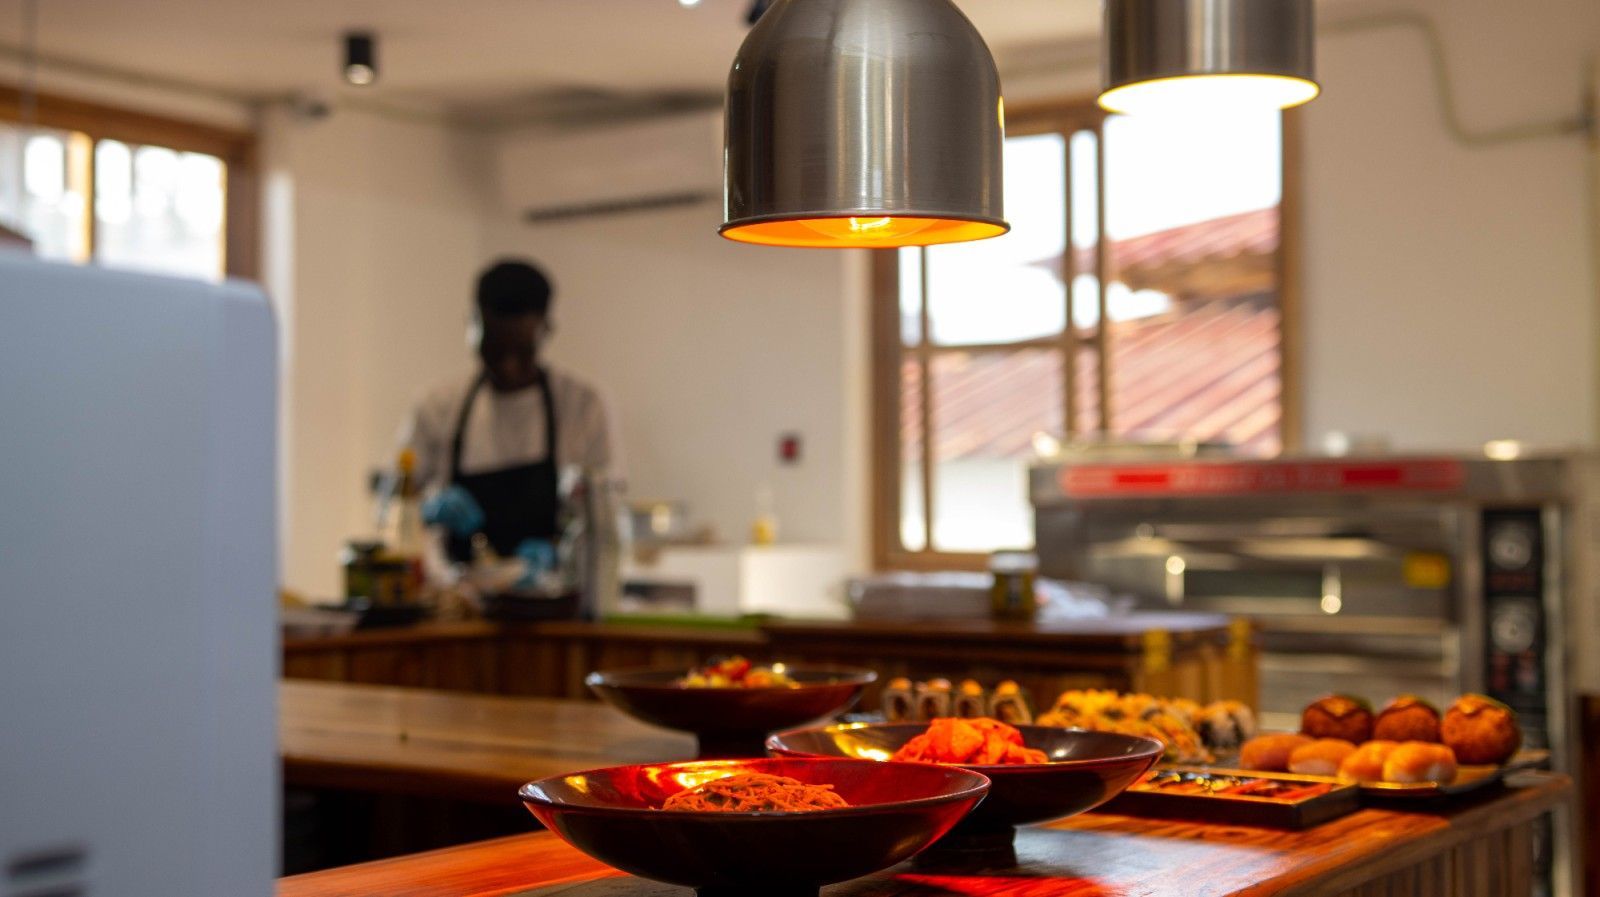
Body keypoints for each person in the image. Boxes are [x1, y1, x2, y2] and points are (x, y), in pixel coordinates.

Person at [400, 259, 621, 604]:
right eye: (494, 350)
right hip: (458, 603)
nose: (508, 365)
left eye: (522, 351)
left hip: (553, 602)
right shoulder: (438, 406)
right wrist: (425, 507)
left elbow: (604, 511)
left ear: (546, 330)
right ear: (471, 325)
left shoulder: (582, 406)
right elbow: (391, 502)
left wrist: (560, 550)